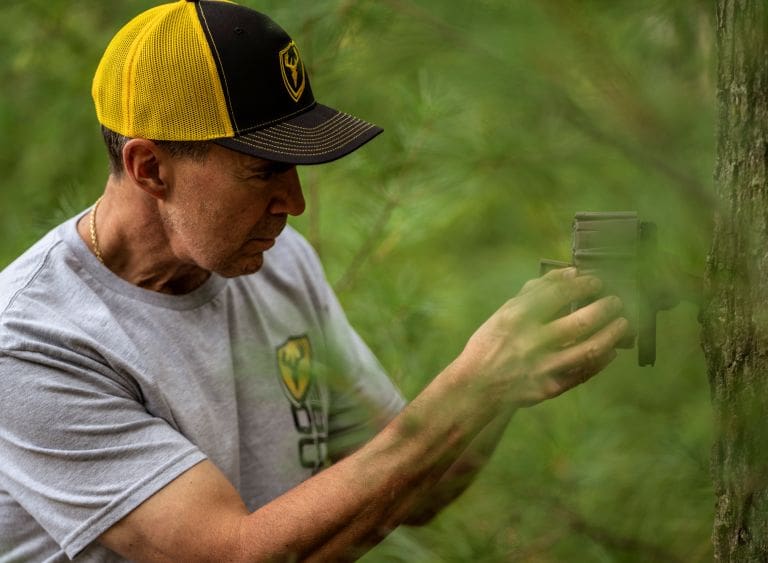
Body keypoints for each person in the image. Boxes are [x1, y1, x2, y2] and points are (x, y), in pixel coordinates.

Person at [0, 1, 629, 561]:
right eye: (264, 171)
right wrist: (474, 385)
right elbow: (233, 556)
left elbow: (409, 486)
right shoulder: (32, 345)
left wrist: (511, 378)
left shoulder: (277, 261)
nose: (295, 203)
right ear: (150, 167)